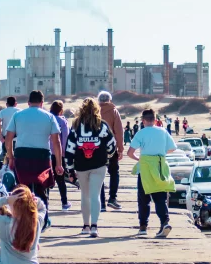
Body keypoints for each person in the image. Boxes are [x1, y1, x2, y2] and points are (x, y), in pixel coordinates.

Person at [4, 90, 64, 231]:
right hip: (42, 156)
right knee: (41, 189)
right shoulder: (49, 117)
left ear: (28, 102)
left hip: (22, 154)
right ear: (42, 103)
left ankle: (21, 220)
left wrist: (10, 156)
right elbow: (56, 143)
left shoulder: (18, 115)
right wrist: (59, 164)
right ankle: (43, 220)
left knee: (22, 189)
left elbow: (8, 139)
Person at [65, 98, 118, 238]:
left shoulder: (76, 125)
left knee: (85, 195)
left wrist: (70, 170)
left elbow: (69, 149)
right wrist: (107, 156)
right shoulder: (102, 125)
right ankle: (94, 226)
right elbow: (112, 145)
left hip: (81, 166)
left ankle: (85, 226)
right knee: (95, 195)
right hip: (99, 165)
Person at [127, 108, 176, 238]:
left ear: (143, 121)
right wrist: (161, 154)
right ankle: (164, 222)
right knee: (160, 198)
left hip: (145, 169)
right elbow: (172, 148)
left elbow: (130, 153)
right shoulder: (163, 131)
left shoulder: (141, 133)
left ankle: (143, 227)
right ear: (155, 120)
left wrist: (140, 159)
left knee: (144, 199)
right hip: (160, 167)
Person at [98, 91, 124, 211]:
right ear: (110, 100)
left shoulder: (94, 111)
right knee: (114, 172)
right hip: (111, 147)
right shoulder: (114, 111)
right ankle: (112, 198)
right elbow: (118, 131)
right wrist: (120, 149)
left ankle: (101, 203)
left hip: (96, 147)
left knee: (99, 174)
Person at [49, 101, 71, 210]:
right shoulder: (63, 121)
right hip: (59, 154)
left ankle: (45, 202)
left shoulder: (47, 118)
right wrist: (65, 154)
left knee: (46, 179)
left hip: (46, 154)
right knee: (61, 180)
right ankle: (64, 203)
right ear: (61, 110)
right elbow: (65, 138)